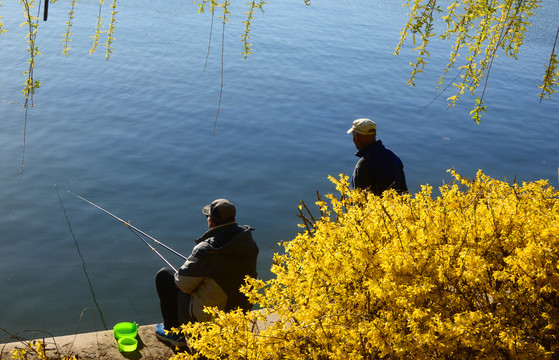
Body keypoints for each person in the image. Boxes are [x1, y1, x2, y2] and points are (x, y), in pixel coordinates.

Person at [154, 198, 259, 347]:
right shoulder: (248, 241)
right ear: (234, 219)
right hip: (239, 310)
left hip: (212, 316)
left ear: (211, 222)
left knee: (164, 276)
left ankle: (175, 334)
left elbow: (182, 283)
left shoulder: (207, 249)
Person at [347, 118, 408, 196]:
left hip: (375, 207)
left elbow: (359, 202)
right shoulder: (393, 157)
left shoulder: (363, 165)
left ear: (356, 137)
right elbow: (404, 192)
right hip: (396, 207)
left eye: (353, 134)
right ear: (374, 135)